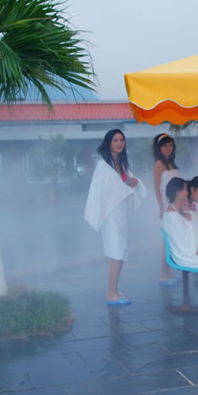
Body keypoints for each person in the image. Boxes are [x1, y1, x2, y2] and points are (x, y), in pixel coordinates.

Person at [84, 129, 146, 305]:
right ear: (108, 143)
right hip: (111, 212)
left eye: (122, 140)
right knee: (117, 250)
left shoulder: (120, 162)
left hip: (120, 211)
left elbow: (120, 186)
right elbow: (110, 190)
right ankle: (111, 293)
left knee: (121, 249)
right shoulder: (103, 165)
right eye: (115, 140)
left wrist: (131, 184)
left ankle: (114, 290)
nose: (119, 143)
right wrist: (128, 185)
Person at [152, 133, 180, 286]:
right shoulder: (159, 164)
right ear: (159, 148)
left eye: (170, 145)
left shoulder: (171, 163)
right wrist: (161, 207)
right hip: (166, 206)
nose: (168, 148)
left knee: (172, 240)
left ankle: (168, 273)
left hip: (174, 206)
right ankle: (163, 274)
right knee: (167, 241)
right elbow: (156, 187)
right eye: (165, 146)